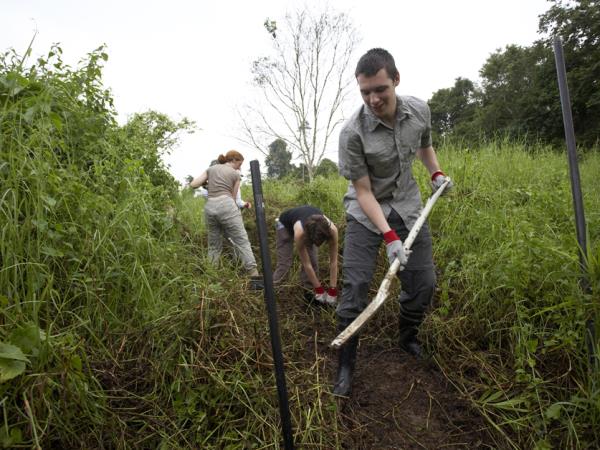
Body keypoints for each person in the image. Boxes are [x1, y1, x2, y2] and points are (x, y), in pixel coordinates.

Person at [333, 48, 453, 396]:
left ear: (396, 80)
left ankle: (407, 336)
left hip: (409, 208)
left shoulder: (418, 110)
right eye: (365, 92)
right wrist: (388, 237)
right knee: (355, 290)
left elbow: (424, 146)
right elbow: (364, 192)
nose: (372, 99)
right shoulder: (352, 133)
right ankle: (345, 364)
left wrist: (437, 173)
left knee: (423, 285)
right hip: (366, 217)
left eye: (380, 90)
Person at [189, 150, 262, 289]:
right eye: (239, 164)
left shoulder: (211, 169)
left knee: (214, 246)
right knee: (242, 241)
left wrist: (208, 183)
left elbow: (193, 184)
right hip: (226, 204)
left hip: (210, 207)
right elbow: (233, 198)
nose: (239, 168)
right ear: (234, 160)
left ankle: (211, 282)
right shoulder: (235, 174)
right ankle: (255, 279)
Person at [272, 205, 339, 306]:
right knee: (285, 263)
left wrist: (333, 290)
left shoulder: (332, 230)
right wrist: (319, 289)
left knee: (314, 262)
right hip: (284, 225)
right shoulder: (300, 233)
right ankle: (274, 292)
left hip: (308, 224)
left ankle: (308, 292)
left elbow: (334, 262)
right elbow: (306, 264)